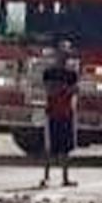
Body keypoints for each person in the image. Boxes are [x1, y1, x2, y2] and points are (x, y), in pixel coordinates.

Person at [40, 41, 79, 188]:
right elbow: (50, 90)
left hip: (66, 112)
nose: (63, 57)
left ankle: (65, 178)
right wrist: (64, 88)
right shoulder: (49, 72)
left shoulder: (71, 74)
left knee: (66, 148)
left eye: (66, 54)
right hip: (52, 112)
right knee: (50, 147)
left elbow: (74, 90)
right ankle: (46, 177)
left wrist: (61, 88)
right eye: (61, 54)